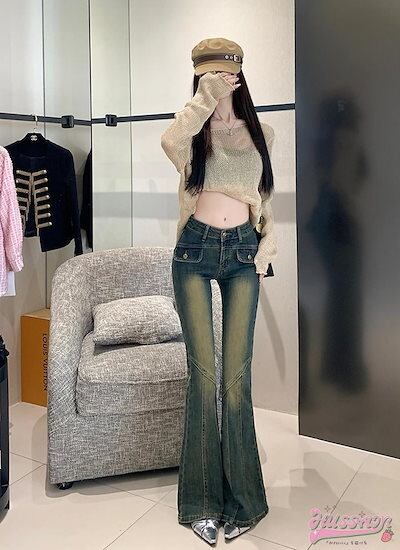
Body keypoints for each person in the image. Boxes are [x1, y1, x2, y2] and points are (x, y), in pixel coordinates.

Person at [160, 37, 277, 545]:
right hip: (195, 250)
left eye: (225, 73)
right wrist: (204, 99)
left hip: (244, 254)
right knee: (204, 377)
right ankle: (202, 502)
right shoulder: (192, 130)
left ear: (240, 74)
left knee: (236, 378)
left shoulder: (262, 132)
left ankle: (245, 501)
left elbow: (263, 197)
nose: (219, 80)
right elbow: (169, 142)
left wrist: (266, 246)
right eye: (208, 74)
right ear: (199, 77)